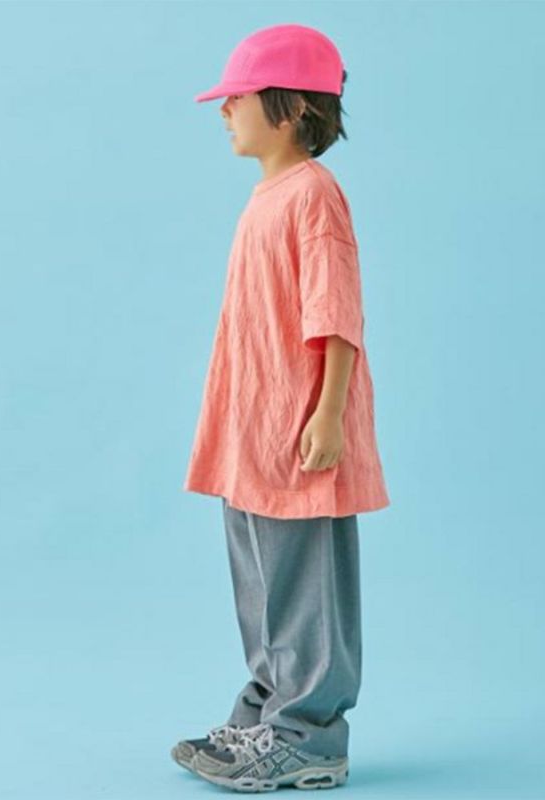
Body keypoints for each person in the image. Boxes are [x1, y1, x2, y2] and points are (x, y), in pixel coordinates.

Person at [171, 23, 390, 793]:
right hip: (252, 432)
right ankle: (266, 713)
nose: (225, 110)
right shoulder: (266, 198)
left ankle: (310, 734)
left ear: (292, 107)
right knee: (261, 583)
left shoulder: (313, 196)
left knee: (304, 585)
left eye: (238, 96)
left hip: (299, 431)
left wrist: (327, 415)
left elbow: (336, 315)